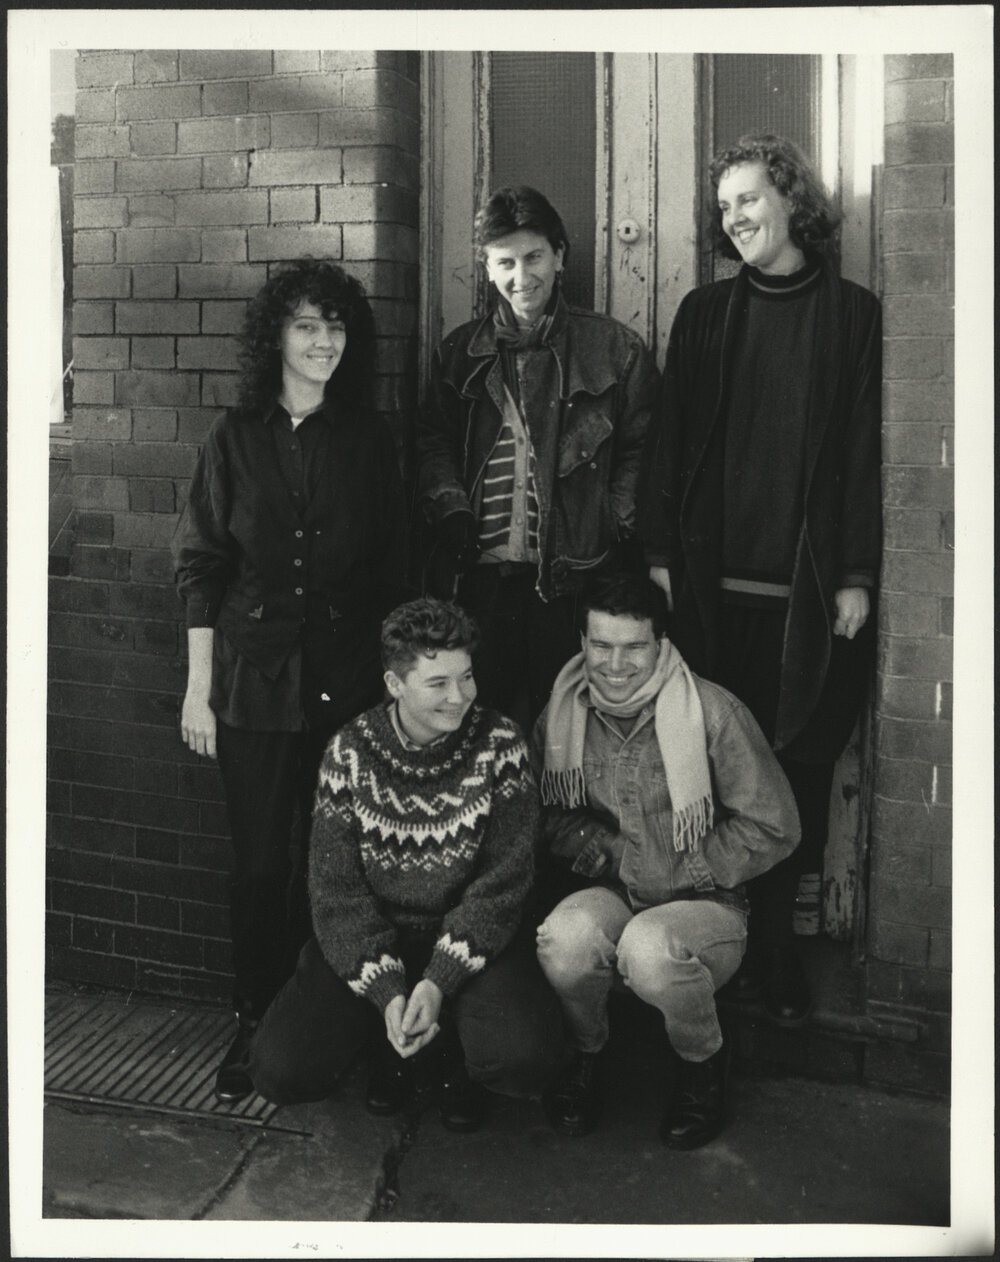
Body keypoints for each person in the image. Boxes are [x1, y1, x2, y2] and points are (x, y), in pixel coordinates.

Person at [639, 134, 882, 1026]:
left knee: (798, 777)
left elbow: (862, 451)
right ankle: (718, 944)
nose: (736, 217)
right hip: (714, 591)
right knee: (714, 773)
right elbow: (669, 442)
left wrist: (855, 574)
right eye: (726, 206)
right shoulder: (706, 314)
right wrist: (662, 551)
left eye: (750, 199)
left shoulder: (854, 316)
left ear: (791, 200)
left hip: (807, 600)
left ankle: (779, 954)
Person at [172, 259, 408, 1103]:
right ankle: (254, 1023)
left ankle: (348, 1026)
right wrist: (200, 688)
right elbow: (202, 567)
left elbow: (393, 567)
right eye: (307, 325)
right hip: (252, 685)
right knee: (262, 866)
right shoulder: (232, 439)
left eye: (337, 325)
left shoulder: (370, 439)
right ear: (275, 335)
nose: (323, 342)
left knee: (345, 864)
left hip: (347, 686)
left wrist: (393, 693)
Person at [249, 598, 564, 1132]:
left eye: (465, 677)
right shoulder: (349, 753)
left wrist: (440, 979)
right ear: (395, 685)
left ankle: (453, 1065)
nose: (460, 696)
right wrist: (387, 990)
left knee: (523, 1058)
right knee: (280, 1070)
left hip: (468, 939)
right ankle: (389, 1048)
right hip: (380, 937)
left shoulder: (500, 744)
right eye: (437, 683)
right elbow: (336, 892)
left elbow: (504, 882)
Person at [533, 574, 799, 1148]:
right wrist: (609, 850)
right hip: (616, 889)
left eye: (634, 647)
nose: (616, 664)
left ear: (661, 644)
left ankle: (702, 1064)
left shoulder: (711, 711)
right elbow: (548, 816)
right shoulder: (562, 713)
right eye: (601, 645)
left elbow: (776, 826)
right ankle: (586, 1056)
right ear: (582, 642)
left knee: (650, 950)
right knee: (564, 939)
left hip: (705, 905)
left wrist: (684, 868)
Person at [415, 185, 658, 731]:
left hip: (575, 583)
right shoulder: (459, 354)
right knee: (482, 733)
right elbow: (433, 443)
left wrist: (613, 522)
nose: (521, 277)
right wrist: (450, 507)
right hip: (481, 584)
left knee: (567, 737)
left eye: (534, 258)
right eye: (505, 262)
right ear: (486, 266)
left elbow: (644, 450)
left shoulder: (615, 350)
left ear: (560, 255)